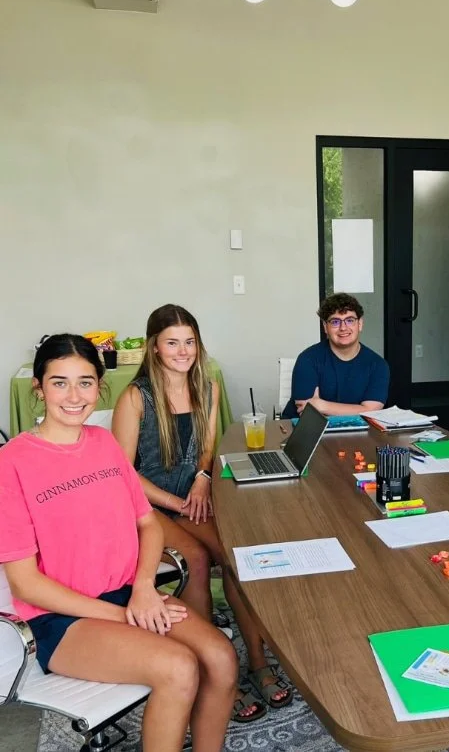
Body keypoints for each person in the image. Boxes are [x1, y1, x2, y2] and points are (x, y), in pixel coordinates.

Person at [0, 334, 238, 752]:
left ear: (100, 387)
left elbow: (149, 524)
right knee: (178, 667)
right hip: (60, 618)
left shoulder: (104, 444)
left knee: (220, 658)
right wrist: (121, 614)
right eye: (59, 382)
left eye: (85, 382)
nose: (74, 395)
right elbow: (26, 585)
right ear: (38, 388)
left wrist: (144, 589)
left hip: (128, 594)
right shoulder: (12, 463)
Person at [112, 305, 291, 723]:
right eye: (172, 342)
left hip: (191, 496)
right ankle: (214, 670)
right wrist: (177, 503)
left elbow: (207, 449)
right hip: (145, 504)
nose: (183, 351)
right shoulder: (135, 396)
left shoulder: (207, 388)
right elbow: (122, 473)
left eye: (189, 342)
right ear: (155, 348)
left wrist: (203, 478)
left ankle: (257, 663)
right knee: (193, 559)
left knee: (236, 555)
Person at [281, 293, 390, 419]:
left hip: (356, 433)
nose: (343, 328)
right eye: (335, 322)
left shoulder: (378, 365)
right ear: (325, 327)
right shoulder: (308, 359)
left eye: (350, 320)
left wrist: (322, 406)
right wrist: (358, 410)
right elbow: (306, 411)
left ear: (360, 324)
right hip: (301, 430)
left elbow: (370, 412)